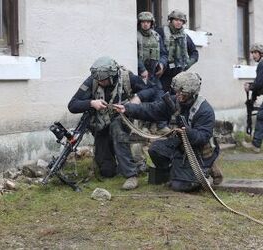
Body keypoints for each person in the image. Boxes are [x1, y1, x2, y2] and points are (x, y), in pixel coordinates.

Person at [114, 72, 222, 192]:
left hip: (198, 151)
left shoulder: (205, 110)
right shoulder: (174, 101)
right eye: (177, 91)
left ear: (192, 93)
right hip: (179, 145)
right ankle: (175, 173)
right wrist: (128, 108)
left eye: (182, 93)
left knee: (180, 186)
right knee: (155, 150)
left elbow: (203, 137)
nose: (178, 95)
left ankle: (206, 168)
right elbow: (152, 109)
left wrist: (188, 132)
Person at [68, 56, 157, 190]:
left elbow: (151, 89)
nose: (100, 82)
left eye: (103, 80)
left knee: (117, 128)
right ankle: (122, 162)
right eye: (98, 79)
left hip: (124, 120)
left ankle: (131, 175)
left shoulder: (127, 78)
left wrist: (138, 98)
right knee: (107, 172)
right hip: (102, 125)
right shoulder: (93, 80)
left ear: (112, 76)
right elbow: (72, 105)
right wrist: (92, 103)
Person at [137, 11, 170, 134]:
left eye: (148, 22)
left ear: (152, 23)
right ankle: (145, 126)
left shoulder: (156, 36)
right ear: (140, 23)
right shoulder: (135, 36)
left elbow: (164, 54)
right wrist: (142, 69)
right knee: (145, 99)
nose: (145, 24)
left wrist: (162, 64)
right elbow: (134, 55)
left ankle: (161, 126)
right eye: (143, 22)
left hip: (155, 74)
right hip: (141, 75)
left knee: (160, 98)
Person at [156, 10, 199, 93]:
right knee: (161, 97)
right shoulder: (161, 31)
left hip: (178, 74)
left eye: (181, 21)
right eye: (176, 20)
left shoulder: (185, 36)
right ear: (171, 20)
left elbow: (195, 53)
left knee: (176, 98)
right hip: (163, 73)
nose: (178, 22)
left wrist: (187, 64)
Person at [242, 43, 263, 153]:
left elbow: (259, 84)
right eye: (252, 53)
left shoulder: (262, 64)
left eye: (255, 52)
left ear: (261, 53)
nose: (253, 55)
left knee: (260, 117)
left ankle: (256, 145)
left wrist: (249, 87)